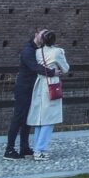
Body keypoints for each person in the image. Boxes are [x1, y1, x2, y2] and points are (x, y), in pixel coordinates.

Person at [4, 29, 59, 160]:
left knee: (28, 119)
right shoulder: (28, 50)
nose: (44, 37)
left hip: (33, 88)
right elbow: (34, 67)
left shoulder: (40, 50)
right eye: (42, 34)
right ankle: (9, 150)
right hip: (23, 88)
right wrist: (52, 72)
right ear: (36, 35)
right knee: (18, 118)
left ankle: (24, 148)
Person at [27, 30, 70, 161]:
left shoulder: (37, 51)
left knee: (40, 119)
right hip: (51, 85)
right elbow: (66, 68)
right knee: (49, 119)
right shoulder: (57, 52)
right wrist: (62, 53)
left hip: (39, 84)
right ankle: (40, 150)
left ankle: (37, 148)